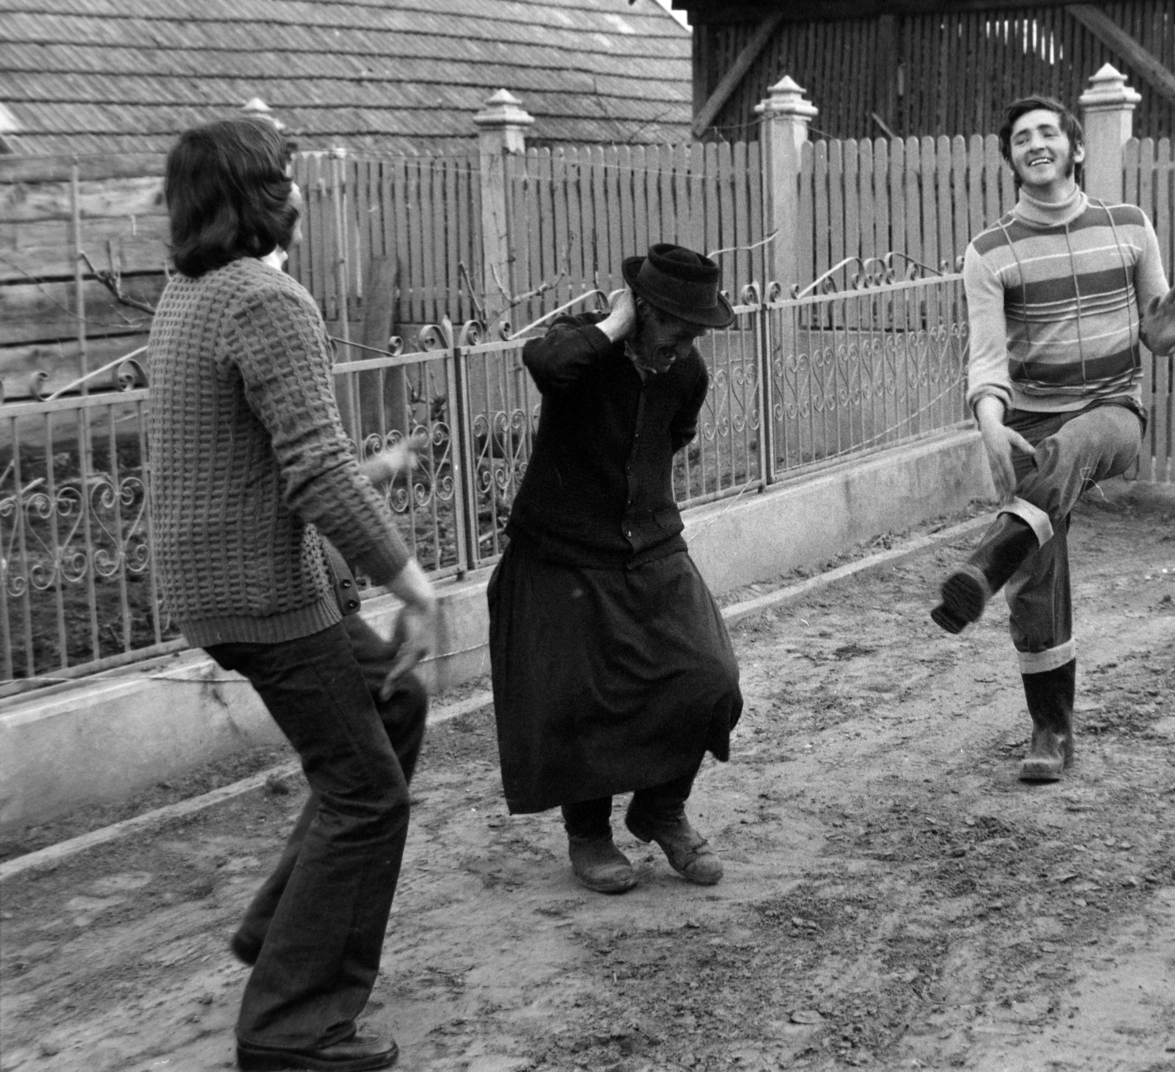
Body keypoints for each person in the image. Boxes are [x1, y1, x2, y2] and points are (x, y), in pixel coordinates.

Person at [146, 117, 440, 1072]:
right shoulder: (269, 300)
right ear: (271, 199)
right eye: (291, 176)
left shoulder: (188, 294)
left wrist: (377, 466)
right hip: (264, 599)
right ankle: (289, 1025)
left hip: (220, 581)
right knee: (367, 796)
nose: (304, 191)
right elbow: (312, 475)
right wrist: (415, 585)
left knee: (394, 697)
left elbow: (258, 456)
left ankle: (280, 933)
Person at [931, 95, 1175, 781]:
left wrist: (1161, 340)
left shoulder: (1130, 227)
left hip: (1112, 412)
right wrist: (989, 421)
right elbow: (988, 358)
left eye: (1049, 132)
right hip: (1029, 424)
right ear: (1010, 158)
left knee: (1072, 447)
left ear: (1076, 149)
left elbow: (1157, 326)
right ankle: (1051, 732)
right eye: (1022, 137)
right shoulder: (989, 253)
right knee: (1039, 580)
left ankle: (986, 562)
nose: (1036, 143)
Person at [489, 243, 743, 895]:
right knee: (583, 695)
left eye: (697, 332)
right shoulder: (582, 348)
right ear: (642, 311)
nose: (687, 342)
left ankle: (660, 808)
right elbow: (544, 364)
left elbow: (674, 436)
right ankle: (589, 834)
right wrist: (613, 329)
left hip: (651, 544)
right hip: (563, 551)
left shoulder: (685, 371)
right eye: (677, 326)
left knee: (709, 674)